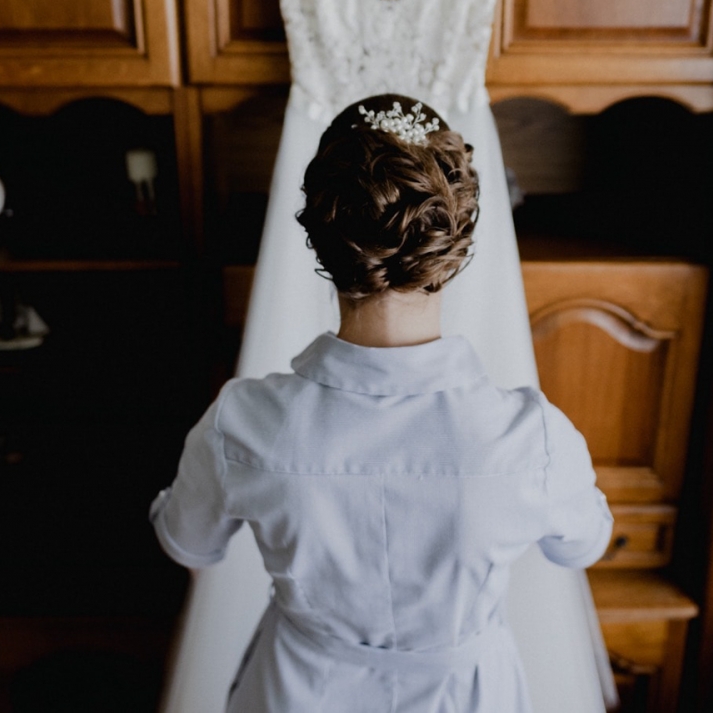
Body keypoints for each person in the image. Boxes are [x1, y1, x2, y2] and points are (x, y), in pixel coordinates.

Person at [151, 94, 613, 712]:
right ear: (455, 235)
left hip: (298, 692)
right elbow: (582, 545)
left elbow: (189, 544)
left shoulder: (243, 423)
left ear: (320, 237)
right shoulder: (531, 438)